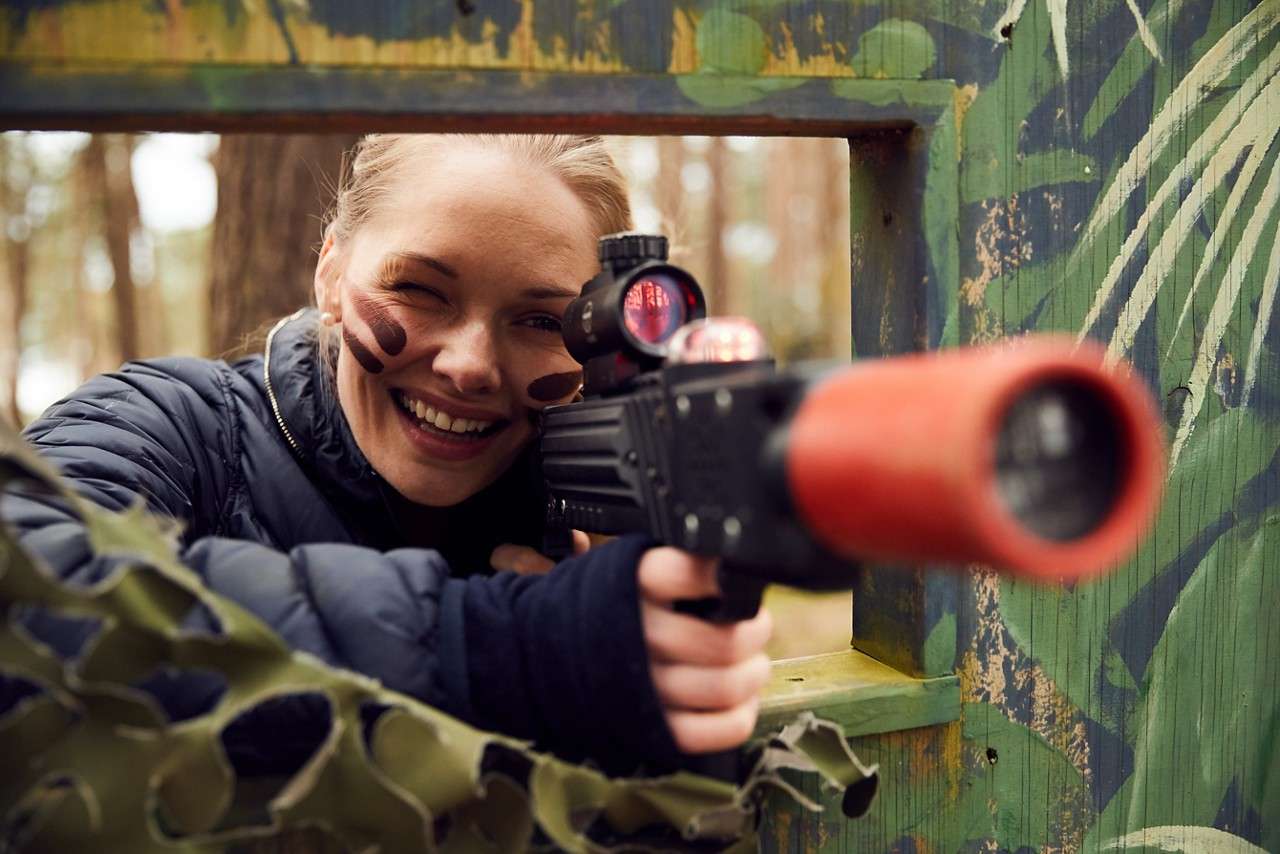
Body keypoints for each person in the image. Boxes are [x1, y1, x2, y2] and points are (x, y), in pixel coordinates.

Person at [1, 134, 772, 777]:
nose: (470, 365)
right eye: (422, 290)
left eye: (540, 319)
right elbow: (24, 586)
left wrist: (649, 610)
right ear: (332, 271)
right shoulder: (177, 422)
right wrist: (497, 648)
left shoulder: (584, 495)